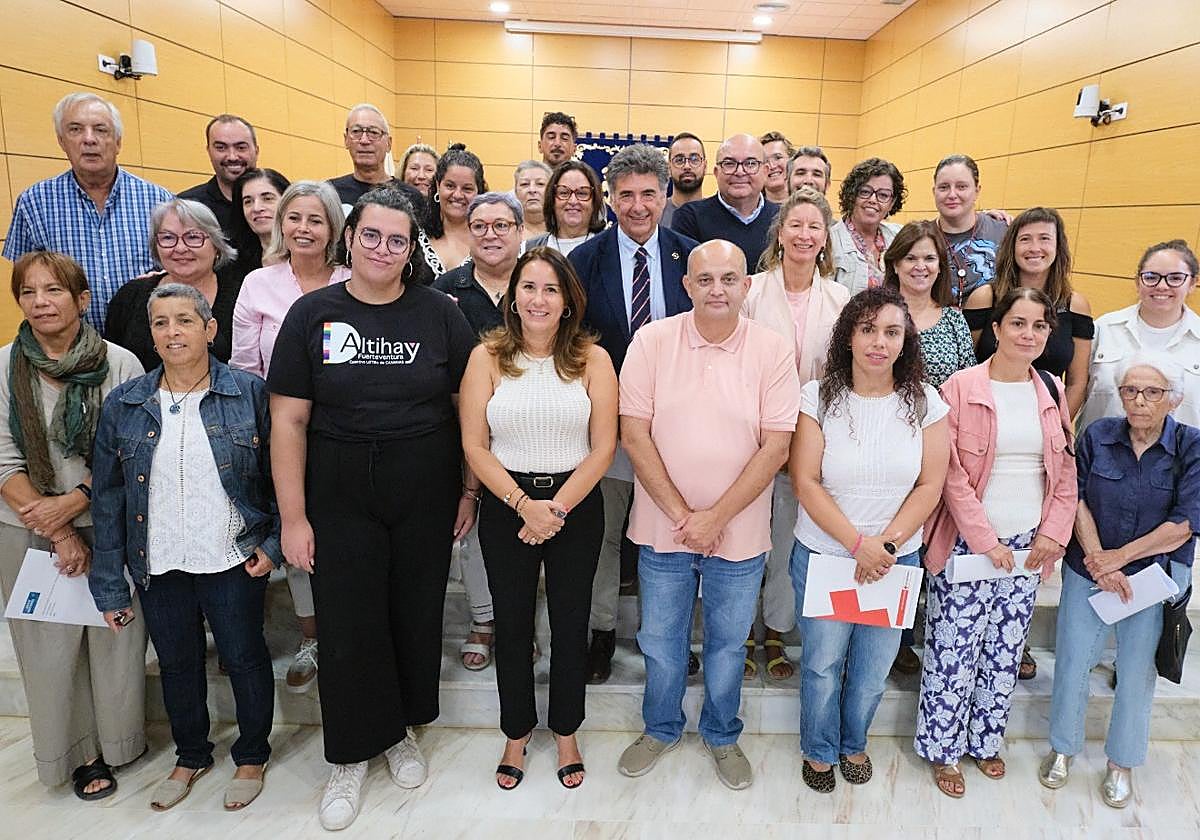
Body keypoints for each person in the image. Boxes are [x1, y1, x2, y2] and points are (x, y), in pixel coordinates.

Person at [267, 188, 476, 831]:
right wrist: (295, 517)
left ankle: (399, 732)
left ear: (412, 247)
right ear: (349, 238)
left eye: (397, 239)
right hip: (339, 487)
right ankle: (350, 754)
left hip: (425, 484)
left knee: (414, 612)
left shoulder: (440, 313)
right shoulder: (312, 314)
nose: (383, 248)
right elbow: (288, 421)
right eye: (372, 236)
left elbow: (469, 408)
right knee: (350, 620)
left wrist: (467, 491)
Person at [616, 239, 801, 791]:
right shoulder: (652, 341)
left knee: (725, 646)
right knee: (661, 641)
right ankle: (661, 727)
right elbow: (634, 434)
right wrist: (685, 516)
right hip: (662, 529)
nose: (717, 289)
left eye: (729, 279)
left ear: (747, 286)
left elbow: (776, 447)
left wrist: (716, 516)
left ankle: (722, 734)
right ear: (687, 285)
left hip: (739, 536)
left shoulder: (772, 349)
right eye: (705, 279)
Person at [90, 283, 280, 812]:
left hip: (230, 553)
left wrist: (273, 544)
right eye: (160, 323)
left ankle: (251, 753)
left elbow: (281, 477)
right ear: (150, 334)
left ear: (209, 329)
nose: (172, 332)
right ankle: (191, 753)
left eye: (184, 321)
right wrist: (110, 586)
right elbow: (107, 500)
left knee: (243, 658)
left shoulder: (247, 393)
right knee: (177, 664)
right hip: (158, 559)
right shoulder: (126, 404)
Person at [460, 246, 617, 790]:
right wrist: (525, 506)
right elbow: (475, 447)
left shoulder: (593, 359)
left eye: (551, 289)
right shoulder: (486, 357)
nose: (538, 299)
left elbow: (604, 447)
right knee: (513, 623)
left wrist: (556, 509)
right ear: (513, 295)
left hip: (575, 500)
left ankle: (567, 729)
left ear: (567, 300)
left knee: (570, 623)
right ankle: (517, 732)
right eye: (529, 287)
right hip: (509, 505)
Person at [916, 288, 1077, 799]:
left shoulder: (1050, 389)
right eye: (1017, 323)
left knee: (1005, 652)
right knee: (953, 652)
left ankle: (986, 741)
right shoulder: (961, 386)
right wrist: (985, 540)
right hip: (968, 546)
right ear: (999, 328)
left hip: (1030, 547)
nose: (1027, 334)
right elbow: (950, 474)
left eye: (1038, 326)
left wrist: (1054, 532)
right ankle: (943, 751)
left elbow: (1065, 469)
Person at [790, 286, 950, 794]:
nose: (879, 342)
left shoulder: (926, 403)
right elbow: (806, 481)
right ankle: (818, 748)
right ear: (849, 337)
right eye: (868, 330)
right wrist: (859, 544)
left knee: (873, 666)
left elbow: (931, 484)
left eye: (891, 332)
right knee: (821, 663)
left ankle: (852, 742)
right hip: (826, 554)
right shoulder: (817, 396)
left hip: (896, 561)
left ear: (905, 341)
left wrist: (886, 543)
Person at [0, 251, 146, 801]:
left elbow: (130, 452)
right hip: (26, 526)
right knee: (50, 647)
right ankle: (79, 755)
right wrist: (57, 526)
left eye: (54, 291)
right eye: (29, 293)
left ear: (82, 299)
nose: (41, 303)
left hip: (110, 521)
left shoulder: (121, 364)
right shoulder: (4, 365)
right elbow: (2, 456)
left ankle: (120, 741)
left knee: (116, 640)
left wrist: (77, 504)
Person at [1041, 352, 1199, 809]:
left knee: (1135, 671)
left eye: (1152, 392)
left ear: (1173, 398)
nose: (1139, 401)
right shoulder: (1098, 435)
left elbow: (1183, 524)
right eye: (1130, 390)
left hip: (1152, 577)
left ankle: (1121, 763)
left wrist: (1119, 560)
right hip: (1088, 567)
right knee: (1073, 660)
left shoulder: (1192, 446)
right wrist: (1096, 557)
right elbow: (1075, 498)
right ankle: (1063, 750)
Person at [568, 143, 698, 684]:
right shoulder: (583, 261)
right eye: (626, 195)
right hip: (607, 428)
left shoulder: (691, 257)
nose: (639, 205)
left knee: (671, 534)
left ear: (666, 194)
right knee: (604, 536)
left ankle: (665, 635)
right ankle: (600, 633)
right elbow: (571, 343)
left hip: (679, 428)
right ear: (610, 199)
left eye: (649, 193)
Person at [229, 180, 348, 690]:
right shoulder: (259, 283)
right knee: (295, 530)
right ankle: (312, 634)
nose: (304, 228)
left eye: (316, 220)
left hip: (345, 431)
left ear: (333, 230)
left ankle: (349, 630)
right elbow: (244, 367)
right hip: (283, 429)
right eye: (294, 218)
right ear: (281, 225)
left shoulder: (351, 278)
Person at [742, 188, 848, 681]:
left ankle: (777, 631)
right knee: (746, 534)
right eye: (796, 225)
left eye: (815, 227)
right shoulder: (751, 290)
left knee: (785, 536)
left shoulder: (839, 297)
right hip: (751, 430)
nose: (805, 234)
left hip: (811, 432)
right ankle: (741, 630)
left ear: (825, 238)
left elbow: (841, 371)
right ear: (779, 233)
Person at [433, 192, 526, 670]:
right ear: (468, 233)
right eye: (481, 226)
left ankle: (519, 622)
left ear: (519, 231)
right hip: (458, 427)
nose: (491, 234)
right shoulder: (443, 290)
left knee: (516, 525)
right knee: (467, 528)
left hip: (525, 426)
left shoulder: (537, 283)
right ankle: (485, 621)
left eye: (502, 225)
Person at [4, 92, 172, 328]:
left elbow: (178, 273)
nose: (89, 139)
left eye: (101, 130)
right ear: (61, 141)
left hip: (145, 342)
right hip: (69, 349)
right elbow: (25, 282)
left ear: (118, 142)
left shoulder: (159, 200)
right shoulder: (34, 203)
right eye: (75, 129)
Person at [966, 207, 1093, 418]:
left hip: (1047, 424)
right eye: (1025, 239)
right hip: (984, 418)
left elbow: (1077, 382)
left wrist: (1056, 429)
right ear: (1012, 246)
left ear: (1058, 246)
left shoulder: (1075, 305)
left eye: (1044, 238)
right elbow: (965, 368)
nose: (1035, 248)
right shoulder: (985, 298)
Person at [104, 199, 241, 372]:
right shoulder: (130, 296)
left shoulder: (242, 295)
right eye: (168, 238)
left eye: (193, 237)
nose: (181, 248)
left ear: (216, 245)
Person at [1080, 240, 1200, 432]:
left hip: (1182, 460)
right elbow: (1074, 387)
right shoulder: (1104, 328)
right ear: (1137, 281)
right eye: (1151, 277)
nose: (1162, 286)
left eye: (1175, 278)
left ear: (1193, 283)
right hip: (1097, 458)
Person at [884, 221, 975, 389]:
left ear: (940, 267)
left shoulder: (954, 320)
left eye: (929, 258)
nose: (920, 266)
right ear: (896, 265)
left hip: (946, 414)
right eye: (910, 258)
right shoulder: (877, 316)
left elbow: (969, 383)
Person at [672, 133, 777, 271]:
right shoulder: (689, 218)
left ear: (765, 171)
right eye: (729, 164)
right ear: (716, 172)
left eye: (751, 163)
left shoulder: (782, 218)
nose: (740, 172)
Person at [930, 154, 1007, 306]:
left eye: (961, 187)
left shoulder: (1003, 232)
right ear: (934, 191)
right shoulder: (920, 237)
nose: (952, 194)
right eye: (944, 187)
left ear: (977, 191)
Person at [828, 157, 904, 296]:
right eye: (865, 192)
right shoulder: (830, 241)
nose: (873, 200)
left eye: (883, 195)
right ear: (852, 195)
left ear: (892, 203)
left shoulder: (899, 236)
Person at [178, 115, 260, 239]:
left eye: (241, 147)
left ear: (256, 151)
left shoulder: (282, 201)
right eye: (221, 148)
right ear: (209, 151)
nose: (232, 156)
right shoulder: (187, 206)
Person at [425, 144, 487, 275]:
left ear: (479, 191)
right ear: (437, 185)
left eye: (467, 189)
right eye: (450, 186)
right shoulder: (415, 236)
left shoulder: (489, 240)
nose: (458, 195)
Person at [524, 160, 607, 256]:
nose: (573, 201)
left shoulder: (609, 248)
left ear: (594, 201)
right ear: (552, 199)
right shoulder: (528, 249)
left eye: (582, 193)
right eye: (564, 193)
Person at [227, 168, 292, 282]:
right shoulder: (234, 263)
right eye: (248, 201)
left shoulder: (307, 254)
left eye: (267, 198)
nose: (256, 208)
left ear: (288, 202)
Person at [328, 104, 396, 211]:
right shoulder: (329, 193)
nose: (364, 140)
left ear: (389, 143)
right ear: (346, 140)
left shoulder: (411, 196)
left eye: (373, 132)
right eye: (356, 132)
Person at [662, 131, 706, 229]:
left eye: (694, 159)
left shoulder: (717, 215)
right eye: (679, 160)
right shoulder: (656, 214)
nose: (687, 166)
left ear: (705, 166)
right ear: (669, 168)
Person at [514, 160, 551, 238]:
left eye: (540, 184)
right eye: (525, 184)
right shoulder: (508, 232)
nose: (532, 190)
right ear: (516, 191)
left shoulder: (563, 231)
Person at [760, 131, 794, 204]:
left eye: (778, 157)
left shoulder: (809, 206)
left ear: (791, 161)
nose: (771, 166)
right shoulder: (749, 209)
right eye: (765, 161)